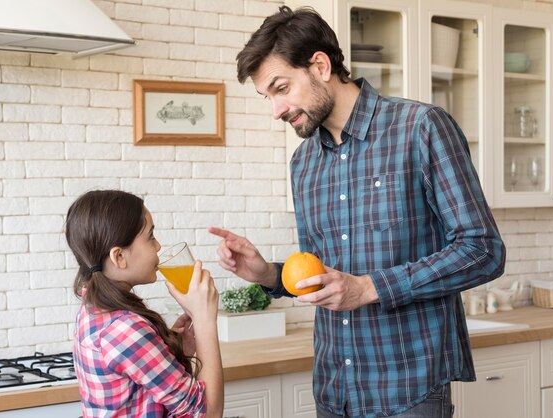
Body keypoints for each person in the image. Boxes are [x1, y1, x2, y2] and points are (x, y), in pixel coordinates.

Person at [210, 6, 505, 418]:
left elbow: (483, 251)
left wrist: (369, 288)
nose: (275, 110)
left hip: (409, 388)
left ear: (320, 65)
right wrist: (268, 275)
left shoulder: (420, 128)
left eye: (281, 88)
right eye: (268, 96)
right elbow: (320, 277)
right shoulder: (303, 164)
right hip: (335, 390)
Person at [65, 190, 223, 418]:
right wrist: (205, 319)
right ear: (119, 257)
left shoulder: (92, 310)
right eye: (150, 236)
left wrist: (173, 351)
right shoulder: (125, 330)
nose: (158, 246)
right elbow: (209, 413)